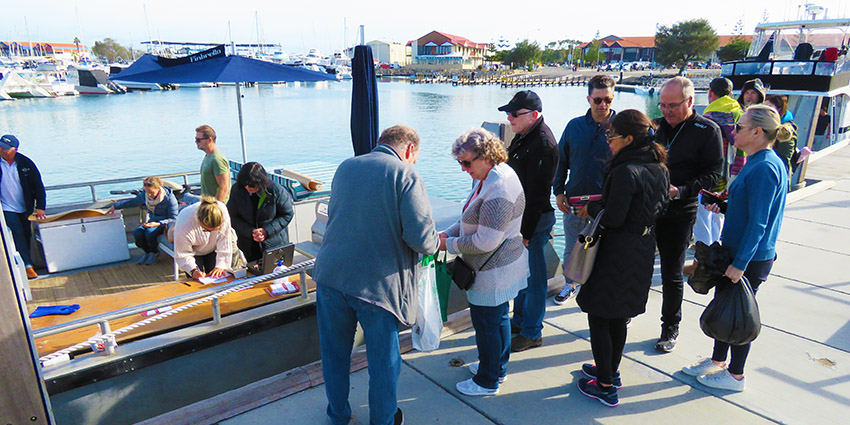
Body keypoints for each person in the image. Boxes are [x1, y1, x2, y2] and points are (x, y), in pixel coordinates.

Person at [313, 125, 438, 425]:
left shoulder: (346, 167)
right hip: (378, 286)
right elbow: (423, 239)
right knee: (384, 362)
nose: (413, 163)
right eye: (415, 158)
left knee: (334, 355)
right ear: (408, 150)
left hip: (330, 275)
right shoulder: (405, 175)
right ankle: (383, 420)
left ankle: (339, 415)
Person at [682, 104, 791, 392]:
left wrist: (740, 264)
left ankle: (736, 375)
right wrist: (725, 205)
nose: (734, 130)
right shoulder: (758, 160)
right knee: (725, 306)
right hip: (737, 251)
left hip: (749, 257)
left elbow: (759, 223)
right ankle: (718, 362)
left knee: (739, 314)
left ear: (757, 132)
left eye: (739, 127)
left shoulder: (766, 167)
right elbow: (749, 209)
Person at [575, 110, 670, 407]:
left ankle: (604, 385)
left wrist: (590, 211)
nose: (609, 142)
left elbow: (614, 217)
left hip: (617, 250)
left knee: (599, 315)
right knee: (619, 316)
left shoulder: (625, 170)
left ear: (629, 139)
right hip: (642, 248)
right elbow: (660, 208)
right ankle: (610, 372)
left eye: (611, 137)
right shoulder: (659, 168)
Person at [439, 128, 529, 396]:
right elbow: (470, 216)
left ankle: (487, 381)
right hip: (501, 265)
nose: (464, 169)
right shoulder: (494, 175)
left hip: (493, 269)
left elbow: (485, 241)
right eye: (460, 163)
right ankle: (496, 368)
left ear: (486, 156)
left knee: (487, 325)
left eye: (467, 163)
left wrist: (447, 244)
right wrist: (451, 231)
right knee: (498, 319)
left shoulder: (498, 188)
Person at [653, 77, 724, 353]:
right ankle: (626, 312)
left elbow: (714, 174)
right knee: (634, 263)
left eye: (673, 105)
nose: (667, 110)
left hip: (680, 211)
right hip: (649, 208)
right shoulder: (656, 127)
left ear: (690, 102)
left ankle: (670, 326)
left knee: (671, 273)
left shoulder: (707, 130)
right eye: (663, 105)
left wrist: (681, 190)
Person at [498, 90, 559, 352]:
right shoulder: (525, 137)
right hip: (522, 218)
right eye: (508, 113)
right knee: (522, 277)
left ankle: (532, 331)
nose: (509, 118)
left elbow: (538, 194)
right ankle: (521, 321)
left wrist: (525, 232)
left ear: (533, 115)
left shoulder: (542, 144)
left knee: (534, 280)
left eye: (514, 114)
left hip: (534, 221)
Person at [552, 75, 615, 304]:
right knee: (572, 250)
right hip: (575, 204)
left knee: (609, 254)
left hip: (607, 206)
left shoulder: (621, 127)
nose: (603, 105)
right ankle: (570, 285)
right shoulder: (573, 126)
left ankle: (607, 295)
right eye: (597, 100)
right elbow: (561, 161)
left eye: (607, 99)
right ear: (589, 98)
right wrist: (558, 191)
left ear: (613, 97)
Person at [684, 78, 746, 277]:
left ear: (711, 92)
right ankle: (715, 255)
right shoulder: (738, 111)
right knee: (717, 216)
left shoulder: (712, 115)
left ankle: (702, 263)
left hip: (711, 174)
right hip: (730, 172)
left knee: (702, 217)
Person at [227, 162, 294, 262]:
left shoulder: (276, 190)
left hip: (274, 244)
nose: (247, 188)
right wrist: (251, 232)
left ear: (261, 182)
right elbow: (232, 216)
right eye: (244, 184)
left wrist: (267, 231)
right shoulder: (237, 190)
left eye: (251, 185)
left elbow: (287, 214)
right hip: (248, 245)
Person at [0, 134, 46, 279]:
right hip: (6, 207)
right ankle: (27, 266)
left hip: (25, 206)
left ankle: (24, 262)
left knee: (26, 234)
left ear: (15, 149)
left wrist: (40, 206)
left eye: (6, 148)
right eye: (1, 147)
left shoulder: (26, 163)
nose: (2, 150)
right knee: (17, 232)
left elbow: (38, 185)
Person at [108, 176, 179, 265]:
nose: (149, 195)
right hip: (151, 221)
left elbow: (173, 218)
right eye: (147, 192)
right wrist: (116, 206)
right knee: (138, 233)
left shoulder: (169, 198)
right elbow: (132, 202)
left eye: (151, 192)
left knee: (149, 233)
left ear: (158, 189)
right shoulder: (145, 195)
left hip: (165, 224)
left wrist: (157, 223)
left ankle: (154, 253)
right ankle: (147, 252)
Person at [173, 196, 232, 280]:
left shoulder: (222, 210)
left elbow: (225, 241)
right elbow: (182, 253)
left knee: (218, 277)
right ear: (198, 220)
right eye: (206, 230)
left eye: (215, 230)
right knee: (196, 281)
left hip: (214, 248)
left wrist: (221, 266)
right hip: (194, 252)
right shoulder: (184, 221)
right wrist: (193, 270)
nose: (210, 233)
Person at [765, 94, 797, 182]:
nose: (766, 110)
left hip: (776, 174)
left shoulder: (786, 128)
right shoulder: (765, 124)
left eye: (770, 107)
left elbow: (784, 157)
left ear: (779, 109)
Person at [195, 125, 230, 203]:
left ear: (210, 140)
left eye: (198, 139)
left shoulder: (217, 159)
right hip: (207, 205)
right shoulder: (208, 157)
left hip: (215, 209)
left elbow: (224, 188)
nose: (196, 142)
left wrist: (215, 207)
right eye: (196, 139)